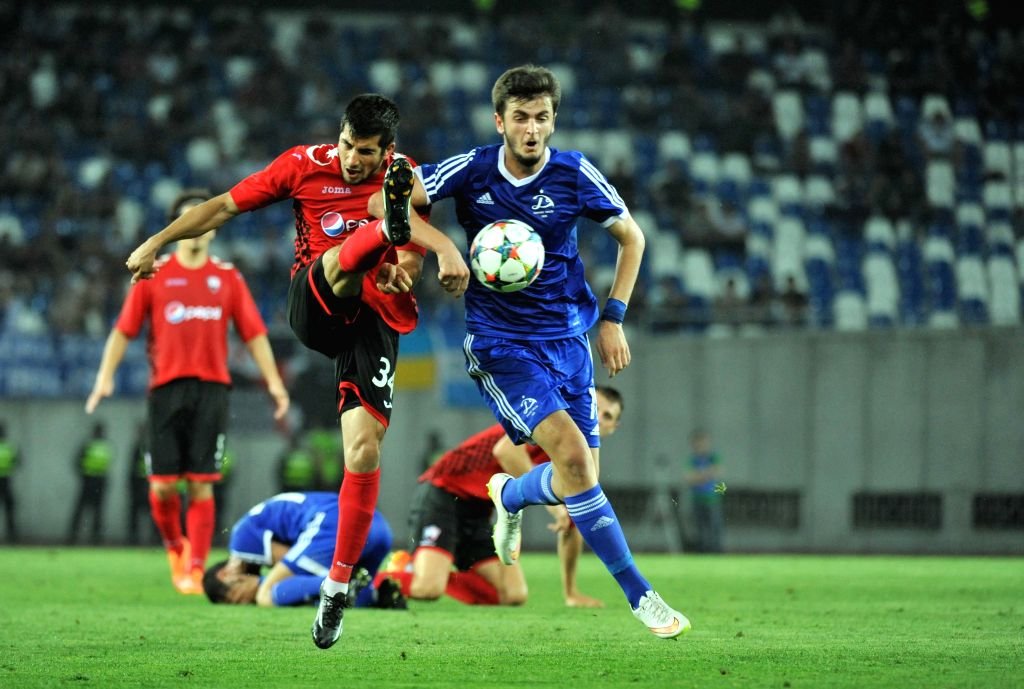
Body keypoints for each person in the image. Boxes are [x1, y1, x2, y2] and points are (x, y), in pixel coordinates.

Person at [123, 94, 469, 647]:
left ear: (387, 151)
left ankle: (336, 587)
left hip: (371, 320)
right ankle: (383, 228)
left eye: (366, 152)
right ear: (339, 136)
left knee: (363, 451)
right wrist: (156, 242)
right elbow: (222, 207)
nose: (353, 159)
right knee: (340, 259)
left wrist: (403, 271)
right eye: (348, 146)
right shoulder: (304, 165)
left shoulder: (405, 177)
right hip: (315, 299)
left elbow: (409, 262)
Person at [395, 65, 690, 638]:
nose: (531, 129)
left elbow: (632, 237)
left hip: (570, 342)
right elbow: (392, 201)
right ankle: (643, 597)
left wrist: (614, 318)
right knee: (574, 459)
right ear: (499, 121)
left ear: (553, 121)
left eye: (541, 118)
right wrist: (442, 248)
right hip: (501, 344)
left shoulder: (574, 172)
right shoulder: (474, 169)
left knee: (581, 477)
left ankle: (510, 493)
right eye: (521, 118)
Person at [87, 188, 290, 594]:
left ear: (212, 227)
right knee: (162, 486)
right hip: (165, 391)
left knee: (201, 482)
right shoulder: (154, 275)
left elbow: (254, 334)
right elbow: (123, 330)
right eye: (186, 218)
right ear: (175, 228)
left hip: (212, 391)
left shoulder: (228, 278)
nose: (196, 226)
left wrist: (274, 384)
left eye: (202, 217)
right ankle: (174, 547)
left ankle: (195, 567)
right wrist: (104, 377)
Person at [389, 385, 625, 608]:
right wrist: (555, 508)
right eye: (595, 408)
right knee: (427, 589)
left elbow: (572, 522)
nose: (598, 418)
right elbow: (505, 451)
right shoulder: (550, 421)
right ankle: (400, 575)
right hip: (444, 492)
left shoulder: (579, 454)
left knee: (513, 594)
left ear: (614, 428)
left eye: (607, 416)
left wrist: (571, 593)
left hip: (479, 510)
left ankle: (427, 571)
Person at [202, 491, 406, 610]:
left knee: (266, 595)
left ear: (225, 575)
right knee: (344, 601)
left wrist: (262, 585)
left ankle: (348, 585)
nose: (245, 602)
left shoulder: (240, 538)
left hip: (333, 523)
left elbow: (291, 565)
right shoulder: (257, 523)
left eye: (236, 599)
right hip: (376, 526)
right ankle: (378, 595)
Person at [67, 421, 114, 545]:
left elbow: (78, 462)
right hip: (97, 480)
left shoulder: (89, 445)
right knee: (95, 510)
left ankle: (76, 536)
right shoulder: (106, 446)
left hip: (90, 480)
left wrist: (84, 474)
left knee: (84, 510)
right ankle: (94, 538)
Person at [685, 429, 724, 553]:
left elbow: (718, 473)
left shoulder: (713, 457)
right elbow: (688, 478)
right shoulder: (692, 459)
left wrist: (699, 476)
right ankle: (702, 552)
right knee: (700, 529)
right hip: (697, 499)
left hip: (713, 499)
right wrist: (707, 474)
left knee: (714, 528)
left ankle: (716, 551)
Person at [126, 420, 157, 546]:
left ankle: (155, 539)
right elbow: (132, 469)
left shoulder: (150, 447)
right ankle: (133, 539)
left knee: (154, 512)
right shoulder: (139, 447)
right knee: (135, 512)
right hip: (139, 484)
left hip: (148, 483)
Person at [0, 420, 20, 542]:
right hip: (6, 481)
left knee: (10, 509)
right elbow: (17, 461)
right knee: (9, 509)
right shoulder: (10, 447)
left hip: (5, 481)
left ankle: (12, 535)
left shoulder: (10, 447)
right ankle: (12, 536)